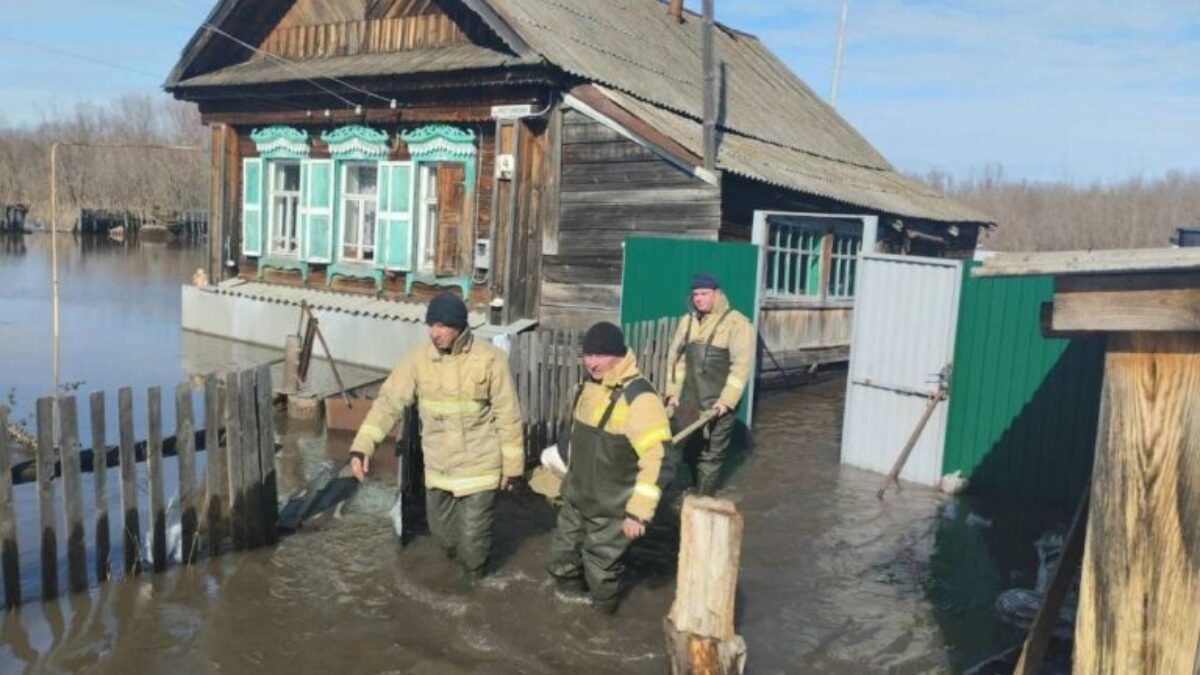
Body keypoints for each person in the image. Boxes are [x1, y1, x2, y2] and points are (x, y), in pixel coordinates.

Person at [349, 292, 524, 582]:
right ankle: (464, 574)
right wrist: (361, 447)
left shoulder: (490, 360)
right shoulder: (418, 360)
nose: (434, 332)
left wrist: (513, 468)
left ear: (459, 327)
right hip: (439, 469)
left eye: (442, 325)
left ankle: (473, 592)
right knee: (443, 537)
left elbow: (509, 415)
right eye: (431, 324)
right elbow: (388, 403)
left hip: (480, 467)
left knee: (472, 546)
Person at [548, 322, 673, 614]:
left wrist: (638, 513)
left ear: (618, 355)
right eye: (588, 355)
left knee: (600, 572)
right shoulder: (587, 387)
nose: (592, 362)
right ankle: (570, 614)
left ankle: (603, 622)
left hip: (612, 507)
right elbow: (577, 439)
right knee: (561, 560)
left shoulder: (640, 398)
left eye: (601, 355)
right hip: (577, 499)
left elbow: (658, 459)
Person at [664, 273, 755, 495]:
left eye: (704, 294)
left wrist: (726, 401)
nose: (699, 299)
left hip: (718, 404)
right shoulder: (687, 322)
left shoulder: (737, 324)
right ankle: (682, 494)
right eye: (695, 294)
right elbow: (677, 359)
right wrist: (673, 393)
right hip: (689, 400)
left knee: (710, 456)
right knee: (683, 450)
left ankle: (702, 501)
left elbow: (741, 367)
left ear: (716, 294)